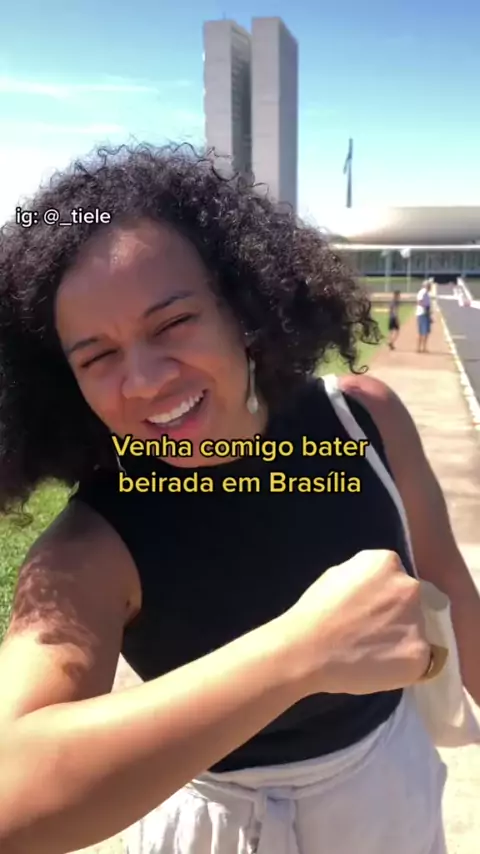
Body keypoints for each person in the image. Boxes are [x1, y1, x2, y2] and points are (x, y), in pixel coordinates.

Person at [0, 144, 479, 854]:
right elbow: (11, 796)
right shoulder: (89, 548)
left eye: (173, 324)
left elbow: (452, 588)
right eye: (98, 356)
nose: (145, 380)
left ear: (243, 306)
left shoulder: (363, 421)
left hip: (391, 793)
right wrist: (301, 652)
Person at [416, 280, 432, 353]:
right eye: (429, 285)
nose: (430, 287)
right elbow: (419, 301)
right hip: (423, 313)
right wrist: (425, 308)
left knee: (425, 332)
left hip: (425, 313)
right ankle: (420, 348)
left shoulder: (427, 293)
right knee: (423, 332)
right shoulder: (423, 292)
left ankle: (422, 347)